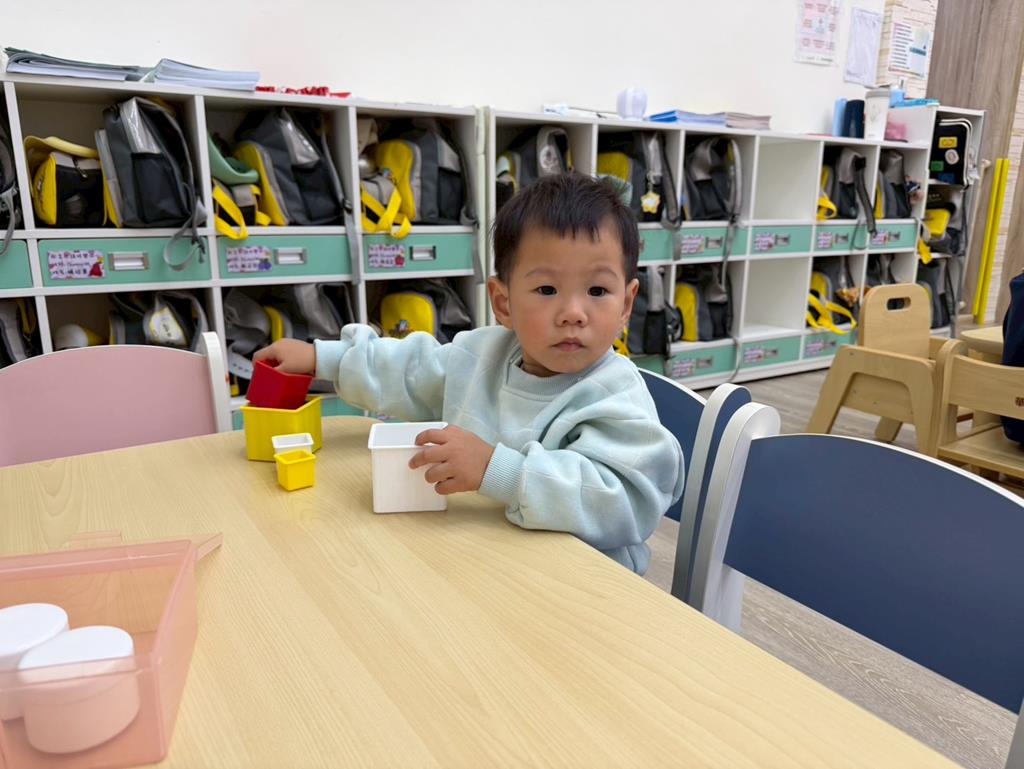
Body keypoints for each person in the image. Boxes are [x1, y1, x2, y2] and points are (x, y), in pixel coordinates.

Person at [254, 173, 684, 574]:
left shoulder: (615, 395)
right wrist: (322, 358)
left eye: (597, 290)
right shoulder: (481, 356)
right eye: (547, 289)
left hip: (582, 584)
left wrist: (496, 470)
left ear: (626, 304)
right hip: (482, 564)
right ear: (503, 303)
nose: (573, 313)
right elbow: (408, 370)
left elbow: (623, 503)